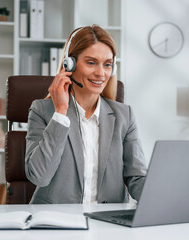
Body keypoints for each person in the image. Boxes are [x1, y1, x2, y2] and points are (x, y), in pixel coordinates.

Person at [25, 25, 147, 204]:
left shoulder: (124, 116)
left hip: (108, 223)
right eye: (91, 62)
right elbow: (39, 176)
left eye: (107, 64)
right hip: (56, 222)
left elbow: (137, 178)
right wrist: (60, 112)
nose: (100, 73)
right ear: (70, 64)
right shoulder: (42, 110)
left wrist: (164, 196)